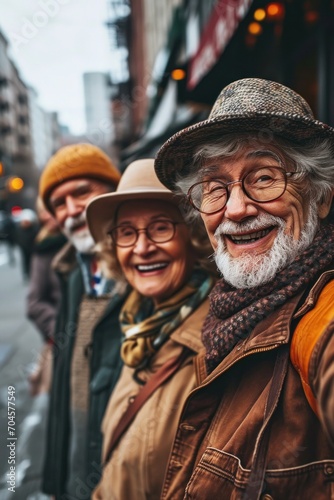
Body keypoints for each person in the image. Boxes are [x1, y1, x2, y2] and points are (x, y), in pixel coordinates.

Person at [154, 78, 334, 499]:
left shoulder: (322, 317)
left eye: (265, 176)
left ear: (320, 196)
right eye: (215, 188)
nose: (235, 209)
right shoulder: (223, 315)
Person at [85, 158, 217, 499]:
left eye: (160, 227)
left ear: (193, 235)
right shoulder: (134, 329)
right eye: (127, 233)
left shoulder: (219, 341)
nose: (142, 248)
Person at [38, 143, 127, 499]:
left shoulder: (149, 267)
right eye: (59, 203)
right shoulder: (73, 275)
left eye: (81, 193)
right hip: (79, 450)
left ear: (110, 193)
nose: (72, 211)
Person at [26, 196, 67, 396]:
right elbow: (34, 303)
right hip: (62, 341)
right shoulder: (44, 248)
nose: (47, 216)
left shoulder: (79, 240)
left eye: (51, 210)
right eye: (43, 212)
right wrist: (59, 330)